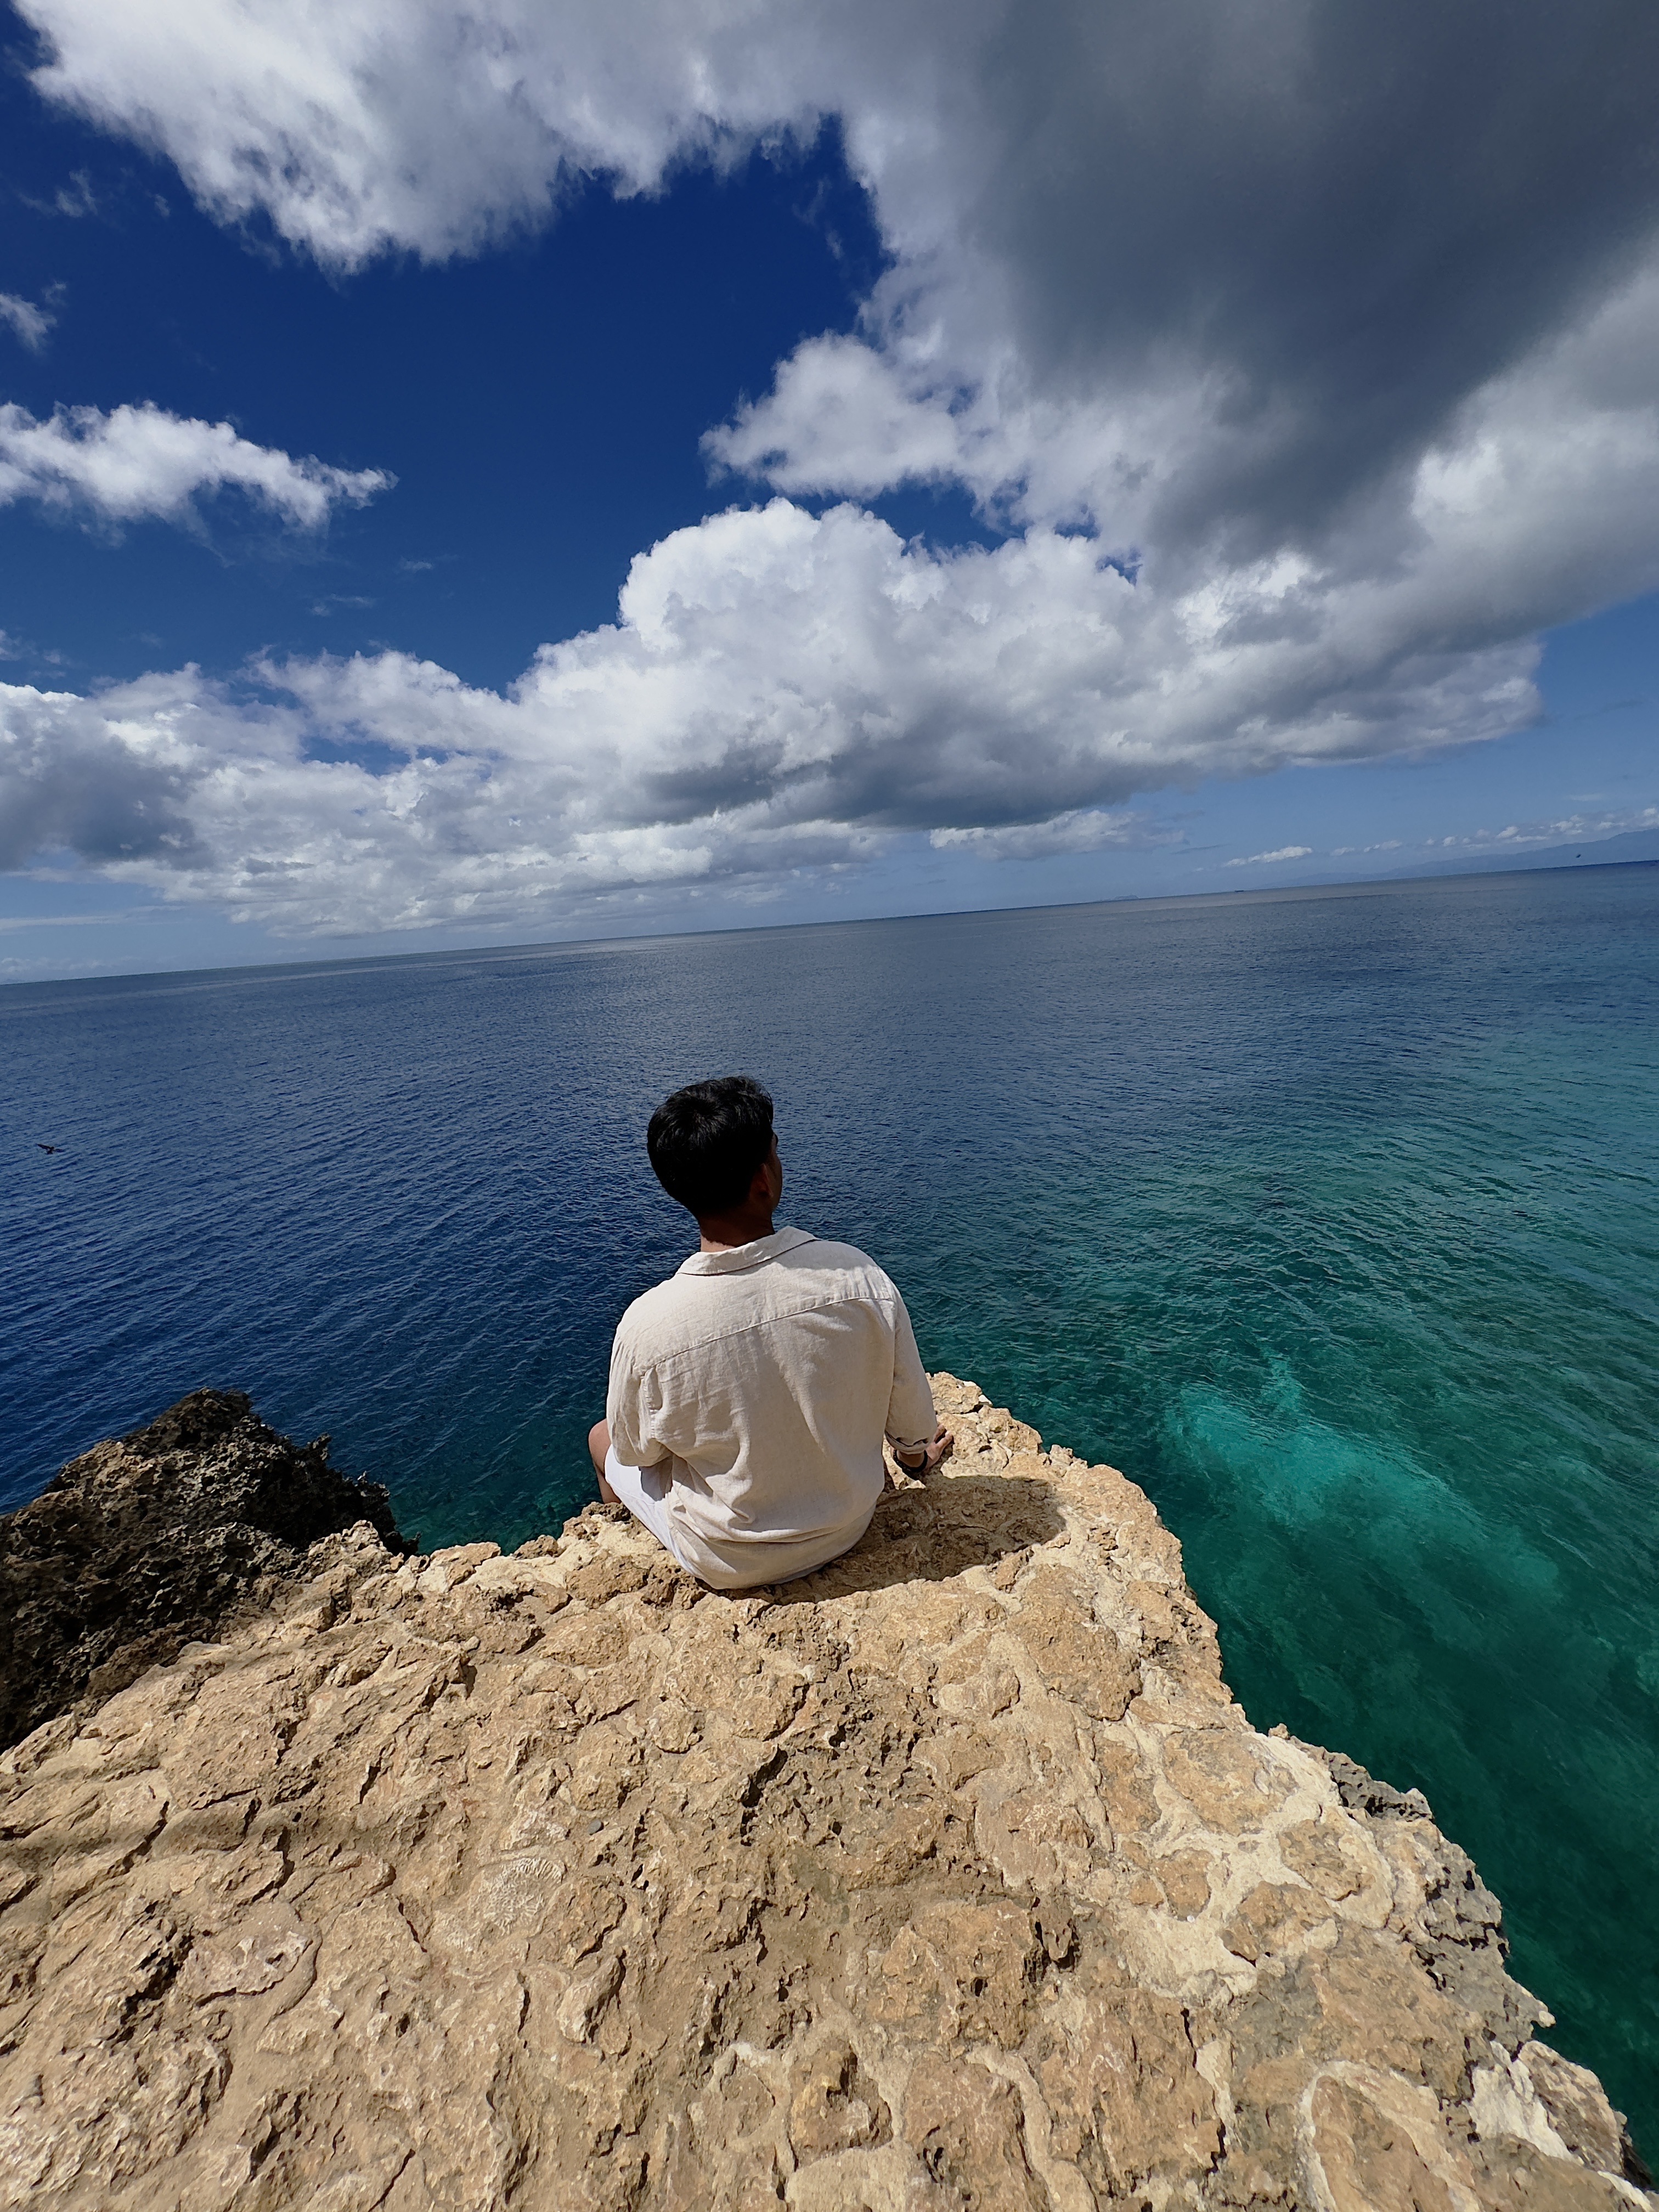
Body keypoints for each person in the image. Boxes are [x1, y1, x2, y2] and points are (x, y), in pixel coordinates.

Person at [587, 1075, 952, 1589]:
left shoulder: (648, 1327)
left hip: (729, 1561)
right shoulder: (857, 1276)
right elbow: (912, 1429)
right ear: (764, 1179)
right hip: (850, 1526)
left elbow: (636, 1452)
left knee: (600, 1438)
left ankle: (612, 1538)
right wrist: (916, 1457)